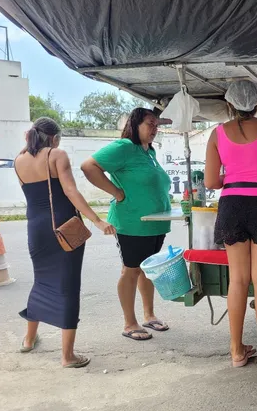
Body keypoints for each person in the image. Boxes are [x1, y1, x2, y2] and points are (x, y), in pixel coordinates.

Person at [14, 117, 116, 368]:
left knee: (41, 281)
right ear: (55, 137)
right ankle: (67, 356)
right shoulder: (56, 155)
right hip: (63, 226)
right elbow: (71, 191)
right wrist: (97, 221)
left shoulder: (19, 160)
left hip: (35, 228)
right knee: (68, 286)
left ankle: (28, 340)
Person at [204, 80, 257, 369]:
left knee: (237, 280)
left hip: (232, 205)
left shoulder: (217, 134)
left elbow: (210, 181)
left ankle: (237, 352)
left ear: (229, 104)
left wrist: (234, 176)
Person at [81, 108, 172, 341]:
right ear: (135, 124)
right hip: (131, 222)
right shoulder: (124, 147)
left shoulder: (149, 151)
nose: (155, 129)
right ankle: (129, 323)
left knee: (146, 269)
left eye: (156, 125)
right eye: (150, 124)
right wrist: (117, 193)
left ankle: (149, 316)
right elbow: (88, 166)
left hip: (154, 223)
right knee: (131, 270)